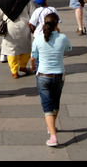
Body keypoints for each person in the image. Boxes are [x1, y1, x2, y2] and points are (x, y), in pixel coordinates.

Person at [30, 13, 72, 147]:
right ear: (57, 24)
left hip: (43, 75)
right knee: (55, 103)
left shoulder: (38, 39)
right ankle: (51, 126)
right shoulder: (63, 37)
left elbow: (33, 57)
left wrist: (32, 66)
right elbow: (69, 48)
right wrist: (59, 34)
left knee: (47, 106)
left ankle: (53, 136)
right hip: (59, 75)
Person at [0, 0, 36, 79]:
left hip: (10, 28)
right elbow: (33, 13)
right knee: (25, 47)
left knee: (11, 50)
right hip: (24, 27)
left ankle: (14, 71)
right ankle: (23, 66)